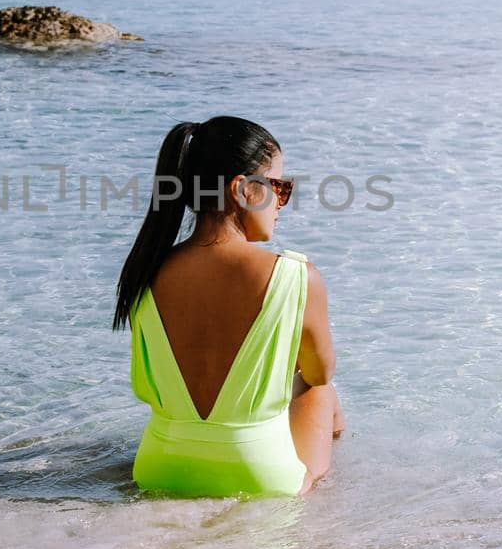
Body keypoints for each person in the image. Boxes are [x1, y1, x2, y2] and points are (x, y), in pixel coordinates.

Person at [113, 116, 345, 498]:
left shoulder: (145, 270)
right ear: (244, 190)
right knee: (321, 389)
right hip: (258, 476)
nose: (282, 204)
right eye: (280, 188)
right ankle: (327, 499)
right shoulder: (295, 276)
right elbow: (319, 372)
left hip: (158, 468)